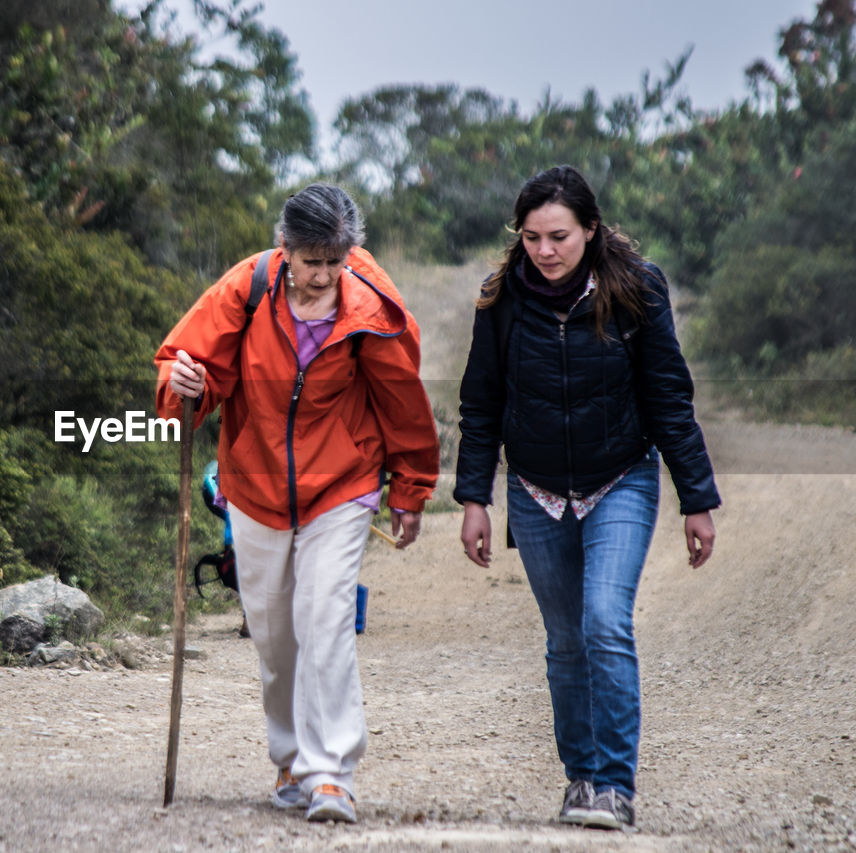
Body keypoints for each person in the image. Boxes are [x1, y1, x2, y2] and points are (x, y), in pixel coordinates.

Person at [155, 183, 439, 824]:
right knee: (276, 634)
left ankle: (331, 773)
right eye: (311, 261)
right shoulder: (247, 288)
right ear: (285, 247)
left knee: (327, 618)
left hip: (342, 483)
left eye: (335, 262)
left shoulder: (371, 309)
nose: (323, 276)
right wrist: (185, 383)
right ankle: (288, 758)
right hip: (254, 486)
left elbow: (402, 400)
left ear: (349, 252)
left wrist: (411, 487)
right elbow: (187, 363)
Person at [454, 165, 720, 831]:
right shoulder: (501, 299)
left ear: (590, 230)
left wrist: (696, 497)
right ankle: (581, 780)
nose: (545, 250)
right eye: (533, 237)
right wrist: (473, 497)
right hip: (536, 489)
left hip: (620, 477)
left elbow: (668, 395)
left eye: (560, 236)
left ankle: (616, 784)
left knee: (604, 621)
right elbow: (481, 403)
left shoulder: (636, 290)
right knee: (565, 639)